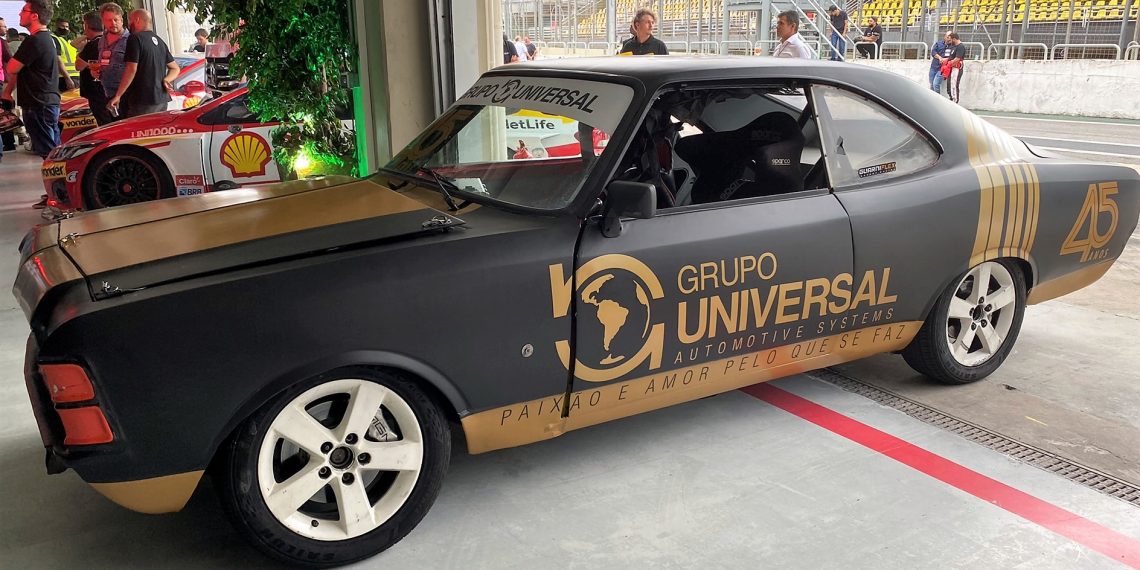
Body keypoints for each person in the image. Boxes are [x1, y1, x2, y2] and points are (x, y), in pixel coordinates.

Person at [3, 0, 62, 161]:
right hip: (46, 101)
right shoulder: (48, 38)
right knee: (54, 150)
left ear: (35, 16)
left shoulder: (33, 40)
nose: (19, 14)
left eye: (24, 10)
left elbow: (12, 68)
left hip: (38, 104)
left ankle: (59, 177)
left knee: (49, 154)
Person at [108, 9, 177, 119]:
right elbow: (175, 68)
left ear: (137, 20)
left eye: (130, 20)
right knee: (155, 129)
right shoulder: (160, 41)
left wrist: (118, 95)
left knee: (137, 128)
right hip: (161, 99)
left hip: (143, 99)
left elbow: (131, 69)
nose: (129, 24)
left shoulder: (135, 38)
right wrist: (166, 80)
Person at [88, 3, 130, 120]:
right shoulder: (102, 40)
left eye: (115, 19)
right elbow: (102, 61)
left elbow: (133, 68)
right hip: (106, 93)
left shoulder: (130, 40)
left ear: (121, 20)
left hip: (126, 95)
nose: (113, 23)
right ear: (103, 22)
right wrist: (95, 72)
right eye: (108, 20)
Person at [74, 11, 112, 126]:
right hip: (109, 89)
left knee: (104, 124)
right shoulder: (109, 41)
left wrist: (80, 53)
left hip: (96, 92)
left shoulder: (92, 44)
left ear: (86, 25)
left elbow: (78, 66)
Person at [52, 19, 79, 91]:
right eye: (62, 26)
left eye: (67, 27)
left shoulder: (69, 41)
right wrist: (67, 78)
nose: (65, 28)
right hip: (63, 77)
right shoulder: (54, 38)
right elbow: (58, 59)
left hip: (75, 76)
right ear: (56, 26)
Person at [943, 32, 966, 104]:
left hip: (956, 68)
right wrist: (946, 61)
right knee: (949, 85)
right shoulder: (954, 46)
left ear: (954, 39)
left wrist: (949, 64)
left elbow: (957, 59)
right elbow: (951, 57)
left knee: (954, 85)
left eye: (950, 40)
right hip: (951, 68)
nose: (950, 41)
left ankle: (955, 101)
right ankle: (951, 98)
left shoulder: (960, 46)